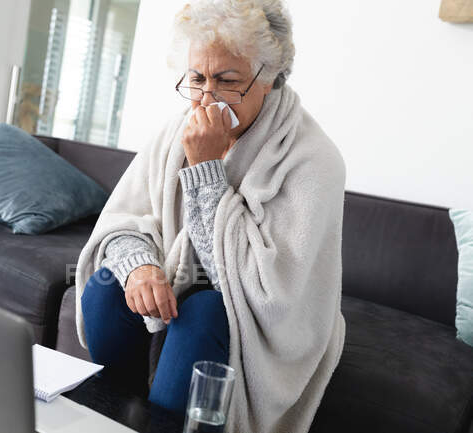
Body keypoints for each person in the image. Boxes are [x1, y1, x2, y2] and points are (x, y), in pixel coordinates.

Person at [75, 1, 347, 431]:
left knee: (204, 311)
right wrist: (139, 267)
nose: (206, 98)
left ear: (271, 78)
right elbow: (123, 221)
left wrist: (204, 170)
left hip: (258, 319)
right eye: (197, 78)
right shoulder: (176, 129)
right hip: (186, 283)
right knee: (107, 287)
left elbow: (260, 295)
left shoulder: (314, 161)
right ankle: (120, 417)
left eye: (227, 81)